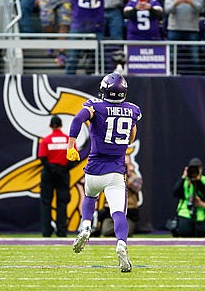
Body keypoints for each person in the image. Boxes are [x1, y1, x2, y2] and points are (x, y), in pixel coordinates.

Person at [67, 72, 142, 273]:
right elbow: (132, 134)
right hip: (115, 172)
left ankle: (85, 225)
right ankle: (121, 244)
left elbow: (77, 120)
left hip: (93, 169)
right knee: (118, 213)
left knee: (90, 197)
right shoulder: (133, 109)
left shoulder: (95, 106)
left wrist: (71, 146)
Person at [55, 0, 122, 75]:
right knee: (73, 56)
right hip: (79, 25)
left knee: (98, 56)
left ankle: (101, 79)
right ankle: (68, 79)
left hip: (96, 26)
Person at [164, 0, 204, 74]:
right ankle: (171, 75)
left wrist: (191, 2)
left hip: (192, 28)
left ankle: (196, 79)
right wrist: (176, 3)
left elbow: (201, 9)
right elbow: (167, 10)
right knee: (172, 56)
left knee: (194, 57)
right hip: (174, 28)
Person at [37, 115, 70, 237]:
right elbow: (73, 157)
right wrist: (63, 169)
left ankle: (46, 231)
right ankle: (61, 231)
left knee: (46, 202)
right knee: (62, 203)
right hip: (63, 173)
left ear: (51, 126)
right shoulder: (67, 140)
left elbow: (42, 158)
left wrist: (52, 168)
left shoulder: (46, 140)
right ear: (61, 125)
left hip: (48, 173)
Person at [171, 157, 205, 237]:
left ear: (201, 169)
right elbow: (175, 193)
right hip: (185, 212)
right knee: (185, 233)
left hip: (202, 212)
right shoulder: (185, 180)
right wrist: (183, 177)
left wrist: (198, 180)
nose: (194, 172)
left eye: (196, 169)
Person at [98, 154, 143, 237]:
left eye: (126, 165)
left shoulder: (135, 177)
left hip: (128, 211)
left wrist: (127, 176)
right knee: (107, 230)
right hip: (111, 211)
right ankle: (116, 230)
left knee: (127, 231)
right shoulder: (112, 176)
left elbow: (137, 187)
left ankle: (119, 231)